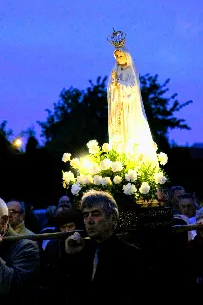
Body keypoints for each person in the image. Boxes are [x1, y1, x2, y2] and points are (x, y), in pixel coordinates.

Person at [54, 189, 150, 303]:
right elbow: (61, 291)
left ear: (112, 218)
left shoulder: (132, 255)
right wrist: (69, 256)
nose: (89, 221)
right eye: (85, 215)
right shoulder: (81, 252)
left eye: (96, 214)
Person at [107, 30, 158, 166]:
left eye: (120, 55)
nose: (118, 58)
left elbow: (132, 87)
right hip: (119, 110)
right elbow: (111, 90)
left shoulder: (131, 71)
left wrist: (119, 83)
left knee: (132, 133)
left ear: (126, 56)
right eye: (116, 56)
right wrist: (113, 84)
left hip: (130, 109)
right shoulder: (115, 71)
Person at [0, 197, 40, 305]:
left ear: (22, 215)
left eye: (12, 212)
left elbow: (9, 286)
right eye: (6, 211)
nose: (9, 215)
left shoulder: (29, 242)